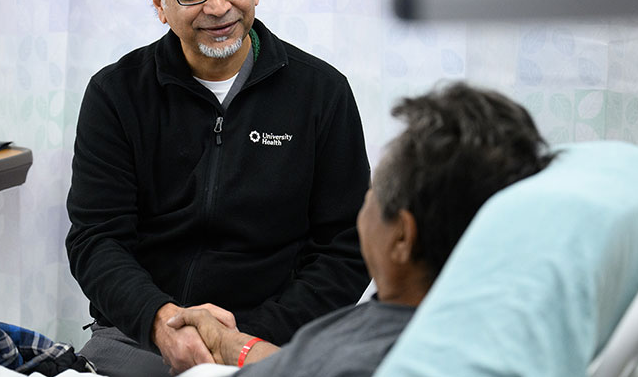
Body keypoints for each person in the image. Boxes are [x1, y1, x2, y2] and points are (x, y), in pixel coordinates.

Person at [65, 0, 371, 376]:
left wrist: (240, 338)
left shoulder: (321, 92)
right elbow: (96, 239)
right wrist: (162, 322)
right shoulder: (116, 93)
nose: (217, 6)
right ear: (157, 0)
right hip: (142, 334)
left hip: (275, 338)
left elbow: (346, 248)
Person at [166, 81, 557, 377]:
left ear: (402, 236)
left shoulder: (373, 357)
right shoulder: (487, 328)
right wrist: (229, 342)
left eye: (373, 195)